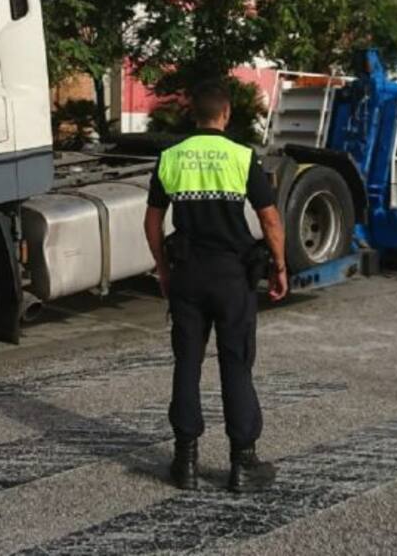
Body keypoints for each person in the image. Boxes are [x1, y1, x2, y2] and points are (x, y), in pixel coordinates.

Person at [143, 80, 289, 493]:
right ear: (225, 115)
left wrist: (163, 269)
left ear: (194, 114)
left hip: (188, 274)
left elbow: (152, 221)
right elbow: (270, 219)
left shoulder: (170, 157)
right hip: (231, 277)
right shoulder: (242, 157)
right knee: (236, 363)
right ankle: (243, 464)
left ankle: (184, 461)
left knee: (187, 363)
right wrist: (279, 266)